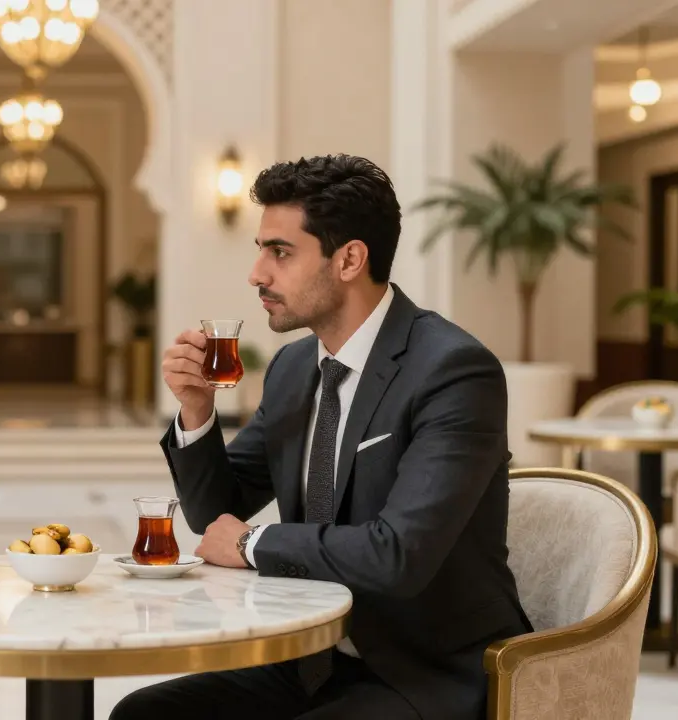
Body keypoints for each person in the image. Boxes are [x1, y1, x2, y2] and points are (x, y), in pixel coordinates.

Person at [112, 155, 532, 720]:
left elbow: (397, 555)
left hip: (418, 675)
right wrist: (196, 411)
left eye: (280, 252)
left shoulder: (453, 371)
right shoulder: (293, 370)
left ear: (350, 259)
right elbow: (216, 512)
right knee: (143, 715)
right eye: (261, 249)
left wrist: (251, 545)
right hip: (306, 657)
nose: (257, 273)